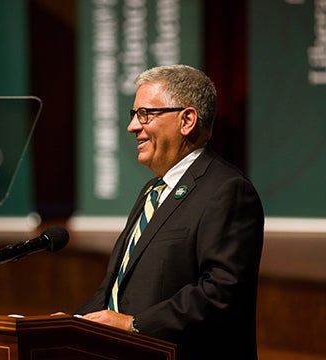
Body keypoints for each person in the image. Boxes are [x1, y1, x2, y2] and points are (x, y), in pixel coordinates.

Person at [75, 64, 264, 360]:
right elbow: (114, 288)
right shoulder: (152, 190)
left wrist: (135, 325)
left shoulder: (228, 190)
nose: (132, 126)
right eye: (134, 115)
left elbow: (221, 291)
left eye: (145, 114)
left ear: (187, 120)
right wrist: (69, 325)